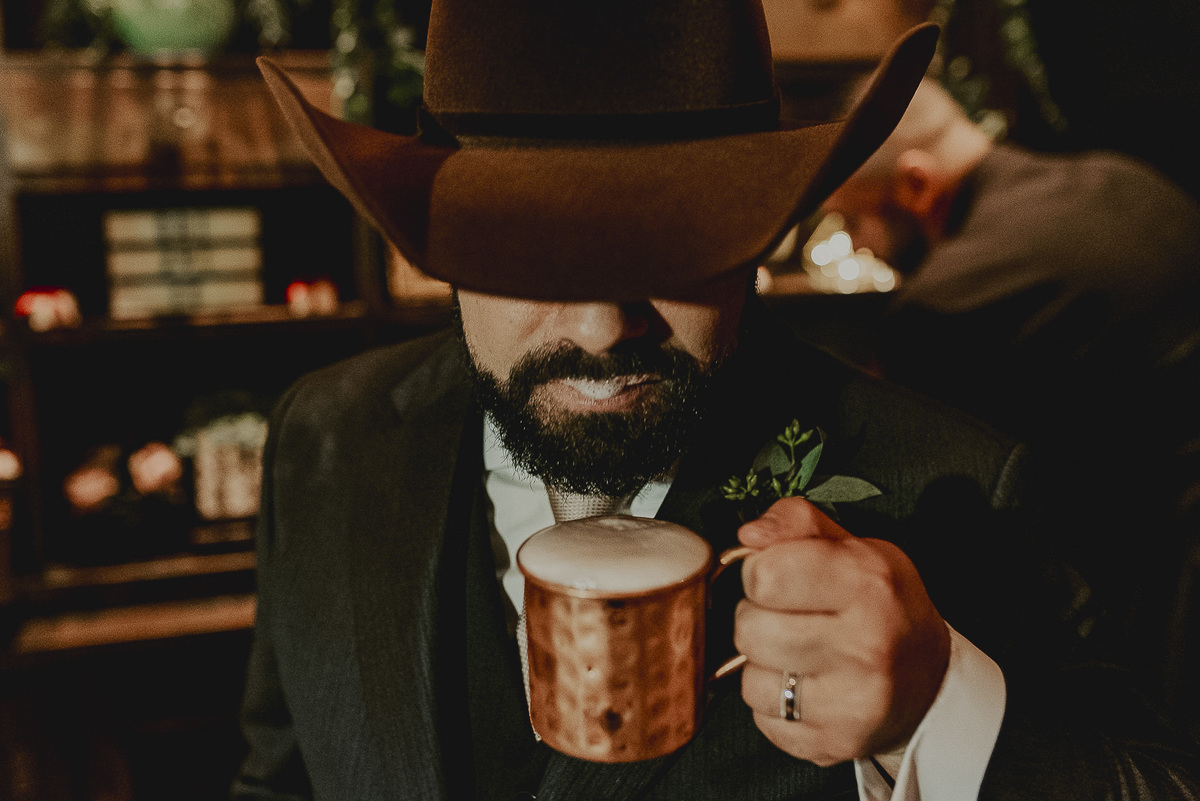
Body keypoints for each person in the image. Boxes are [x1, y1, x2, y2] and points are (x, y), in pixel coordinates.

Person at [233, 2, 1200, 799]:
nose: (604, 326)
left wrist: (936, 709)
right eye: (532, 246)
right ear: (437, 236)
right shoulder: (326, 436)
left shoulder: (959, 485)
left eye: (678, 240)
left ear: (757, 235)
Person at [821, 76, 1200, 717]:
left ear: (916, 184)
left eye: (860, 217)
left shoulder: (948, 297)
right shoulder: (1121, 176)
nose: (858, 243)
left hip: (1164, 617)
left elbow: (930, 494)